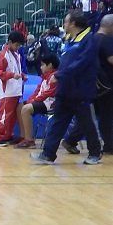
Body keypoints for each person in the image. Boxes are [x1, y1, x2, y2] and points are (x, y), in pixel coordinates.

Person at [32, 9, 102, 165]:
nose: (64, 24)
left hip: (81, 91)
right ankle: (48, 154)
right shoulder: (69, 39)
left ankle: (95, 153)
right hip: (65, 90)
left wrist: (59, 75)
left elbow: (82, 63)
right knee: (57, 122)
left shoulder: (89, 40)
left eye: (66, 21)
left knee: (87, 123)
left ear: (73, 23)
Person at [60, 13, 113, 155]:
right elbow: (112, 60)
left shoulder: (91, 38)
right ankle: (108, 146)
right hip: (106, 86)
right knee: (105, 116)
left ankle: (71, 140)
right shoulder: (107, 40)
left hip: (91, 85)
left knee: (87, 117)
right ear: (111, 26)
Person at [14, 53, 59, 149]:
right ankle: (24, 136)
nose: (40, 67)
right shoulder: (44, 77)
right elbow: (37, 91)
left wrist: (34, 101)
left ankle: (29, 141)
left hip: (50, 104)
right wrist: (31, 100)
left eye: (43, 65)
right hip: (42, 102)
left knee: (26, 109)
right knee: (20, 106)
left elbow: (48, 93)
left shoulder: (55, 77)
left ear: (50, 65)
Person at [0, 31, 26, 147]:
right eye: (16, 45)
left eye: (19, 45)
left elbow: (16, 70)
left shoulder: (16, 55)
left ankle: (7, 135)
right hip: (6, 91)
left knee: (11, 117)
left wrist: (22, 76)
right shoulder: (3, 55)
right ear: (10, 42)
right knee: (4, 115)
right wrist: (12, 75)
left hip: (16, 90)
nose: (18, 47)